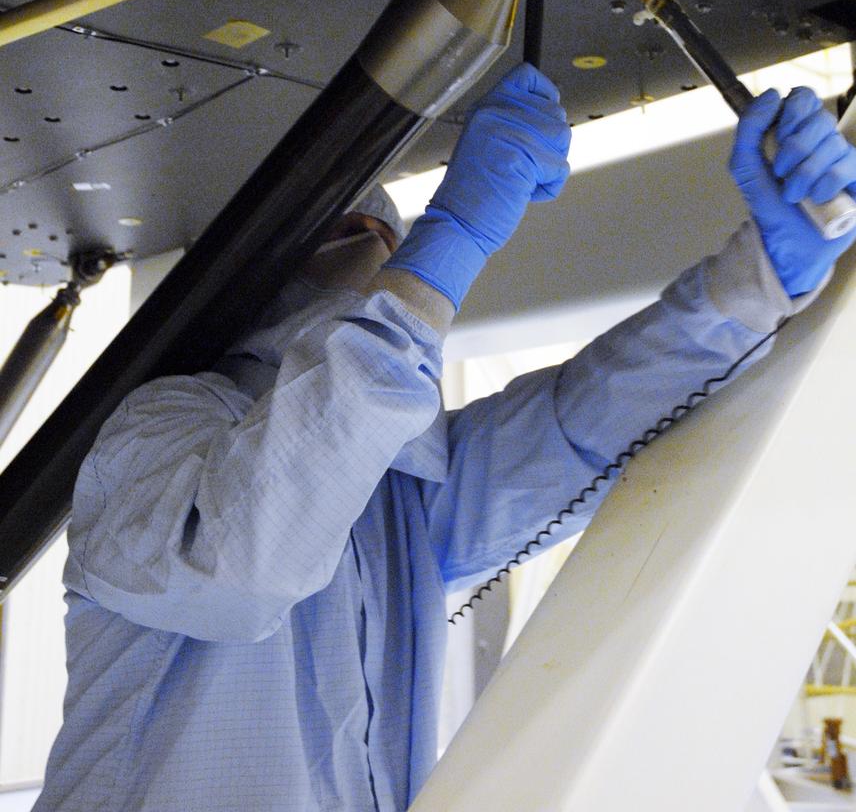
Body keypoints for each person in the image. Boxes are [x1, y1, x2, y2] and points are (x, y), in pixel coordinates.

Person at [33, 63, 856, 812]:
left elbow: (583, 424)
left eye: (385, 242)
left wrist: (763, 278)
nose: (377, 257)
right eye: (353, 236)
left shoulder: (404, 493)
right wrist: (452, 237)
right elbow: (249, 555)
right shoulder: (152, 433)